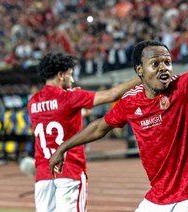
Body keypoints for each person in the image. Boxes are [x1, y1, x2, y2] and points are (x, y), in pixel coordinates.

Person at [49, 2, 188, 211]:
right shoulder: (130, 102)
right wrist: (63, 148)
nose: (164, 68)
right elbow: (100, 127)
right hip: (157, 197)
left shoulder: (182, 88)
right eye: (156, 63)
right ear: (140, 70)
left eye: (167, 62)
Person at [27, 52, 141, 212]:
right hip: (69, 170)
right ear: (61, 75)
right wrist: (142, 77)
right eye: (70, 75)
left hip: (43, 175)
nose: (72, 80)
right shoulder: (71, 96)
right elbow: (112, 94)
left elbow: (56, 115)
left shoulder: (33, 102)